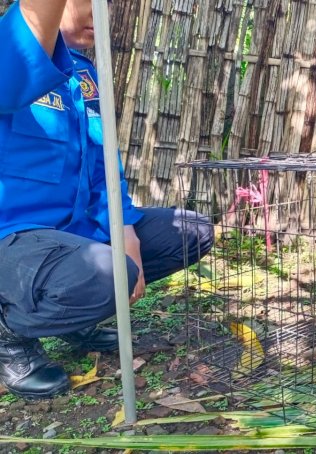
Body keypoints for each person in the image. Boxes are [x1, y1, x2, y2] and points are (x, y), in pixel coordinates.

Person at [0, 0, 214, 399]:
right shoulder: (5, 51)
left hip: (73, 234)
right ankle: (8, 333)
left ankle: (70, 318)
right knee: (105, 272)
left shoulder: (85, 75)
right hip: (12, 239)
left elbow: (103, 163)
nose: (102, 14)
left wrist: (126, 228)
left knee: (190, 230)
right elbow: (15, 70)